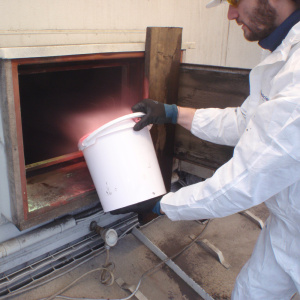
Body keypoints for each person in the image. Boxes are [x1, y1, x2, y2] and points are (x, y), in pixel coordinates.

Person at [128, 0, 300, 299]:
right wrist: (173, 113)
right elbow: (245, 122)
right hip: (287, 223)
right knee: (250, 293)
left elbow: (242, 183)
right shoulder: (282, 55)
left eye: (235, 1)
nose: (231, 14)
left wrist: (162, 204)